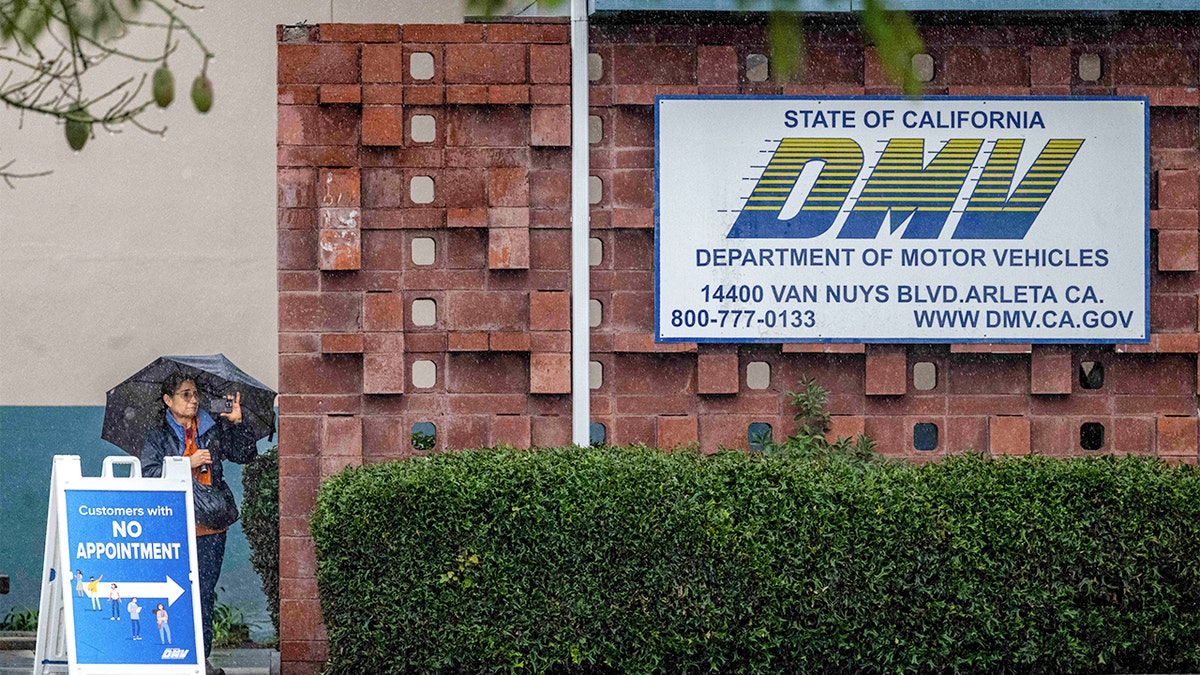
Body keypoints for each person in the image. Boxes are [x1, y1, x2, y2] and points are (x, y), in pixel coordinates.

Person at [141, 373, 256, 675]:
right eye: (185, 395)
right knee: (172, 594)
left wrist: (237, 422)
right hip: (172, 526)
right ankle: (171, 655)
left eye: (195, 395)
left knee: (203, 593)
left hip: (210, 528)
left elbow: (245, 454)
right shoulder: (157, 437)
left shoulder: (212, 429)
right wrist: (184, 463)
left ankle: (199, 660)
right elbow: (149, 475)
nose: (193, 401)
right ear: (168, 400)